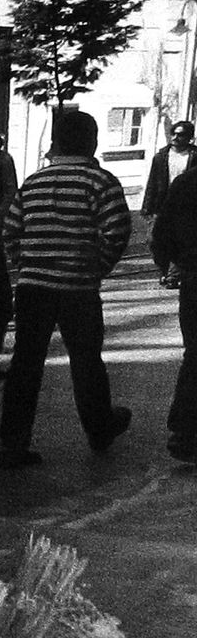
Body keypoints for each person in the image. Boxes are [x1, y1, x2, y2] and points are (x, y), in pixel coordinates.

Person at [0, 109, 133, 469]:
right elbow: (117, 230)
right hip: (78, 289)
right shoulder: (101, 182)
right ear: (93, 142)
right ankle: (99, 428)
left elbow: (10, 231)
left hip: (33, 288)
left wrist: (27, 265)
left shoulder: (34, 182)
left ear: (55, 142)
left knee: (25, 364)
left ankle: (12, 445)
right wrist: (95, 267)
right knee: (86, 361)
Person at [150, 165, 197, 462]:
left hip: (194, 279)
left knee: (195, 355)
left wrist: (168, 265)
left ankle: (185, 432)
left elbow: (161, 234)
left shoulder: (186, 182)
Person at [141, 119, 194, 219]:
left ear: (189, 138)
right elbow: (152, 184)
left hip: (187, 207)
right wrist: (147, 209)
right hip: (164, 204)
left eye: (180, 135)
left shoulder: (194, 157)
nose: (175, 138)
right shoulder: (161, 157)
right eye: (173, 134)